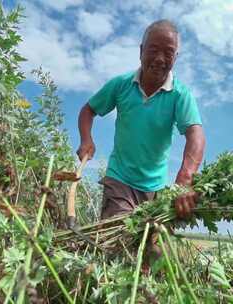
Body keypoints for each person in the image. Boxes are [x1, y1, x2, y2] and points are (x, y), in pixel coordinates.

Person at [77, 19, 205, 221]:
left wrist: (186, 179)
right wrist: (86, 139)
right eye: (153, 50)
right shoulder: (121, 85)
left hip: (157, 188)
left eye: (168, 52)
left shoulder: (180, 95)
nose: (160, 59)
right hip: (119, 179)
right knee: (121, 238)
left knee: (154, 250)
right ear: (141, 51)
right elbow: (88, 110)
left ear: (176, 57)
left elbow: (195, 134)